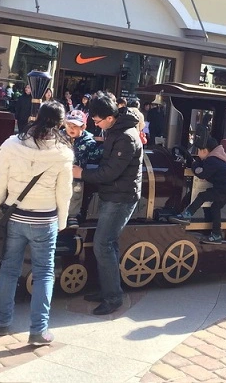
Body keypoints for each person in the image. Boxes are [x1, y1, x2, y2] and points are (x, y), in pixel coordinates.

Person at [0, 101, 74, 345]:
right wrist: (62, 221)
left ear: (37, 116)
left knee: (9, 270)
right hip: (45, 219)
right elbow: (64, 192)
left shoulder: (11, 145)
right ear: (60, 123)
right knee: (44, 274)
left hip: (15, 216)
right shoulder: (63, 154)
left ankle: (2, 322)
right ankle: (38, 330)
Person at [75, 92, 142, 315]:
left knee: (103, 245)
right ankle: (107, 289)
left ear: (110, 117)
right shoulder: (116, 130)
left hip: (120, 197)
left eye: (96, 121)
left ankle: (113, 297)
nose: (95, 125)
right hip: (113, 195)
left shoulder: (126, 136)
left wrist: (82, 172)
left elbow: (110, 172)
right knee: (107, 244)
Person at [169, 137, 226, 244]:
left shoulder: (212, 160)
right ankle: (216, 235)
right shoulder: (217, 158)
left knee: (203, 196)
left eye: (198, 151)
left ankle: (187, 216)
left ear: (204, 151)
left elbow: (202, 173)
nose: (197, 153)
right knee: (215, 207)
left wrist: (194, 164)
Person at [62, 110, 103, 228]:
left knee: (76, 194)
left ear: (83, 127)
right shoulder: (60, 137)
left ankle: (72, 216)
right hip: (61, 172)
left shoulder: (88, 141)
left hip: (76, 174)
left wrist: (105, 148)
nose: (71, 128)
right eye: (69, 125)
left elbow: (95, 155)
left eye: (75, 126)